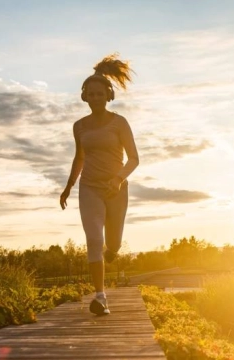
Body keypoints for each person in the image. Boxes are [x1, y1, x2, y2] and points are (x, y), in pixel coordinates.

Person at [60, 53, 139, 315]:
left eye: (99, 94)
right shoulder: (79, 126)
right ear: (84, 96)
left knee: (112, 243)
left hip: (116, 188)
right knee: (94, 239)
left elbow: (134, 159)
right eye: (90, 94)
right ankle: (101, 297)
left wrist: (117, 180)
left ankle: (112, 252)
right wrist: (69, 186)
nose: (94, 98)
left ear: (108, 96)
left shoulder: (120, 123)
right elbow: (79, 157)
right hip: (90, 188)